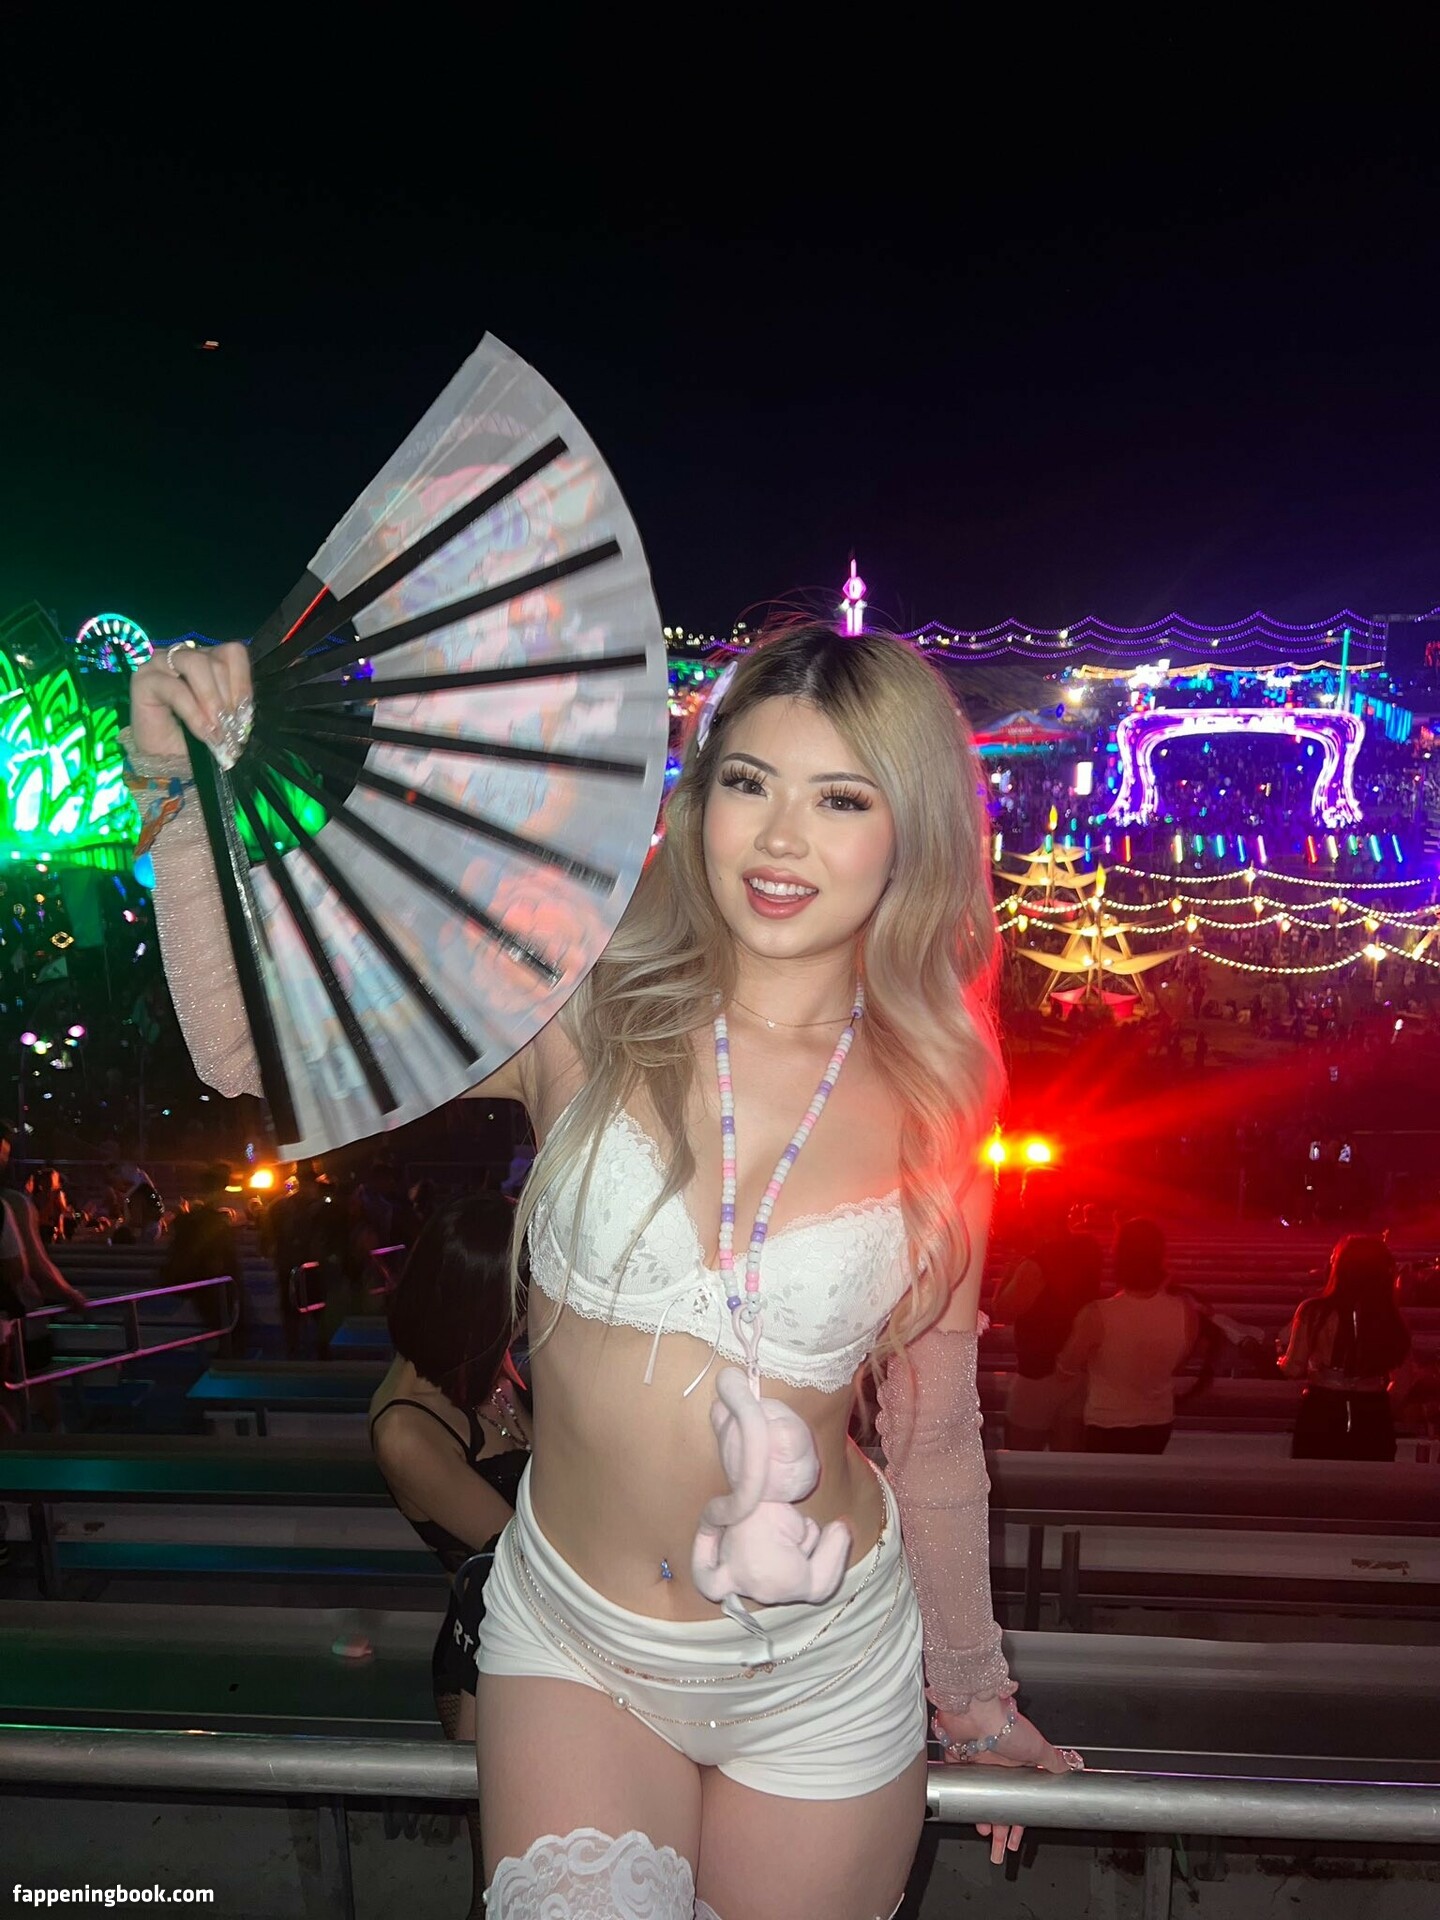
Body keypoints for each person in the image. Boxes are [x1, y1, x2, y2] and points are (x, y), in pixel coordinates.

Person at [130, 623, 1079, 1920]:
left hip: (823, 1665)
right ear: (699, 798)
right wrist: (179, 794)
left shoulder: (940, 1100)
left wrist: (972, 1696)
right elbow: (250, 1046)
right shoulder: (584, 997)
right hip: (576, 1644)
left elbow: (934, 1433)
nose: (781, 839)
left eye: (840, 799)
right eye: (748, 781)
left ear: (910, 830)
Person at [370, 1193, 531, 1920]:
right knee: (504, 1880)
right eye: (519, 1306)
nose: (529, 1321)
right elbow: (522, 1550)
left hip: (537, 1639)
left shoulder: (479, 1364)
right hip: (484, 1659)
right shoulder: (406, 1428)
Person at [1057, 1216, 1201, 1454]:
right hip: (1158, 1421)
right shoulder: (1185, 1312)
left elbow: (1066, 1368)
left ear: (1119, 1258)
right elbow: (1178, 1361)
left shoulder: (1097, 1314)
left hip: (1107, 1421)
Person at [1278, 1235, 1412, 1461]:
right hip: (1372, 1411)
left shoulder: (1314, 1312)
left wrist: (1279, 1358)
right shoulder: (1391, 1318)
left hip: (1322, 1407)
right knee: (1370, 1477)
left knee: (1317, 1476)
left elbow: (1293, 1368)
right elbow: (1403, 1382)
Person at [993, 1195, 1102, 1451]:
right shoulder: (1088, 1249)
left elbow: (1003, 1311)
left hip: (1039, 1372)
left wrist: (1011, 1268)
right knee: (1067, 1460)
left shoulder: (1035, 1264)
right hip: (1078, 1368)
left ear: (1033, 1214)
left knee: (1022, 1456)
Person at [0, 1122, 88, 1432]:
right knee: (37, 1381)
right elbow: (32, 1265)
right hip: (19, 1314)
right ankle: (53, 1439)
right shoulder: (12, 1204)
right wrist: (70, 1294)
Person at [162, 1162, 243, 1357]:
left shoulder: (194, 1219)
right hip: (214, 1280)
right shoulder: (212, 1221)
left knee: (218, 1323)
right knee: (224, 1323)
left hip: (204, 1282)